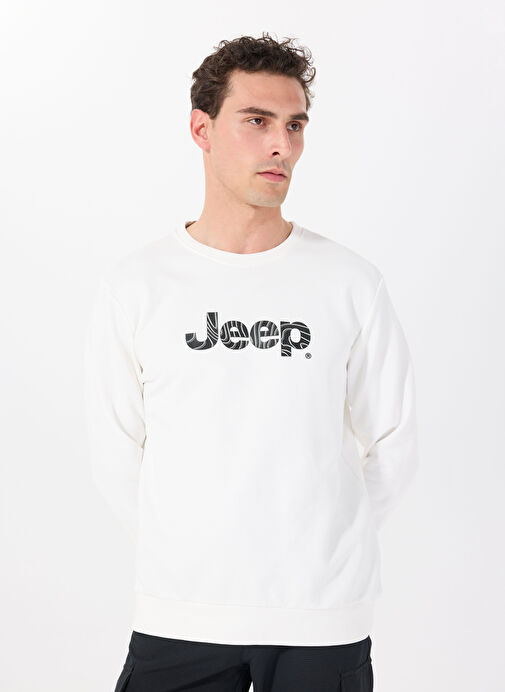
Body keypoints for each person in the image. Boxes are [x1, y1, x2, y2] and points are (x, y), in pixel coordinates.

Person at [83, 32, 420, 692]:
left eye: (295, 125)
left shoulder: (350, 283)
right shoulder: (137, 286)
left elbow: (395, 440)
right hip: (181, 612)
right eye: (257, 121)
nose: (281, 146)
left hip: (321, 620)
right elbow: (115, 449)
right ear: (201, 130)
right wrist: (190, 550)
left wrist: (325, 539)